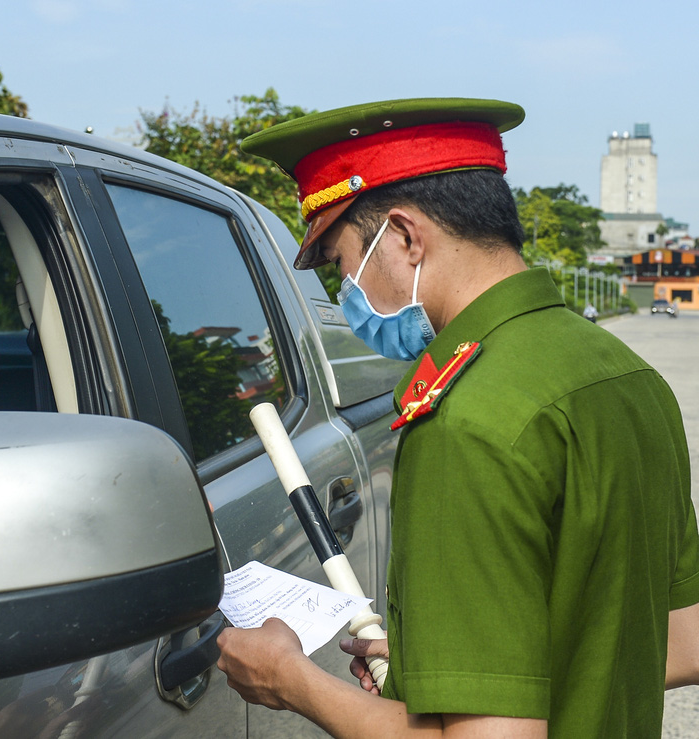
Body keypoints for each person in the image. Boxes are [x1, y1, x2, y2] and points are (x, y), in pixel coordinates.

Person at [216, 98, 699, 737]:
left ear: (406, 237)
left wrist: (294, 681)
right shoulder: (625, 375)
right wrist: (454, 668)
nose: (347, 297)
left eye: (342, 264)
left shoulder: (464, 422)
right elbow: (680, 642)